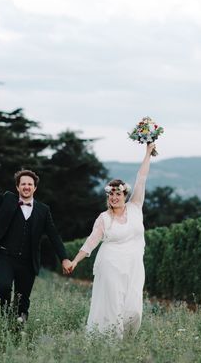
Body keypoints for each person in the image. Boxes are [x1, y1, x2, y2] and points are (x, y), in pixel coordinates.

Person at [0, 151, 72, 322]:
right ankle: (5, 317)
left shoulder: (43, 210)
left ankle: (19, 331)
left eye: (30, 184)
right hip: (6, 257)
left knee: (22, 301)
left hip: (28, 262)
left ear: (35, 188)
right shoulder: (8, 200)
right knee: (4, 288)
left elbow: (54, 235)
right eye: (23, 184)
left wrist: (64, 258)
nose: (26, 187)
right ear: (17, 187)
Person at [68, 142, 155, 337]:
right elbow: (91, 242)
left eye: (118, 194)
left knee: (133, 310)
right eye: (111, 194)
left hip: (133, 267)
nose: (114, 197)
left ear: (125, 195)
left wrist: (148, 152)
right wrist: (75, 260)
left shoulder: (135, 207)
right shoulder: (104, 218)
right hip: (111, 267)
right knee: (113, 307)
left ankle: (125, 343)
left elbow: (141, 178)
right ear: (108, 197)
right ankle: (111, 347)